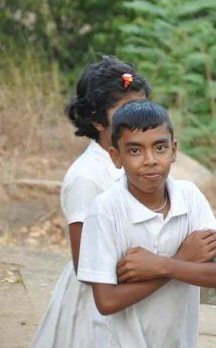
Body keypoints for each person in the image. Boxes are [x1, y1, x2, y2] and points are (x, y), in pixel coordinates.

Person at [77, 99, 216, 347]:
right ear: (116, 156)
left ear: (174, 151)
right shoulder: (105, 210)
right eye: (134, 151)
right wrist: (182, 260)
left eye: (159, 148)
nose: (150, 159)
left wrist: (161, 266)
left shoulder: (189, 196)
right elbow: (107, 301)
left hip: (177, 340)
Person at [31, 55, 153, 347]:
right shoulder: (87, 177)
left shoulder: (145, 163)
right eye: (127, 111)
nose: (139, 119)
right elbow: (86, 265)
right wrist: (166, 267)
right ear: (98, 121)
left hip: (139, 295)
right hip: (98, 309)